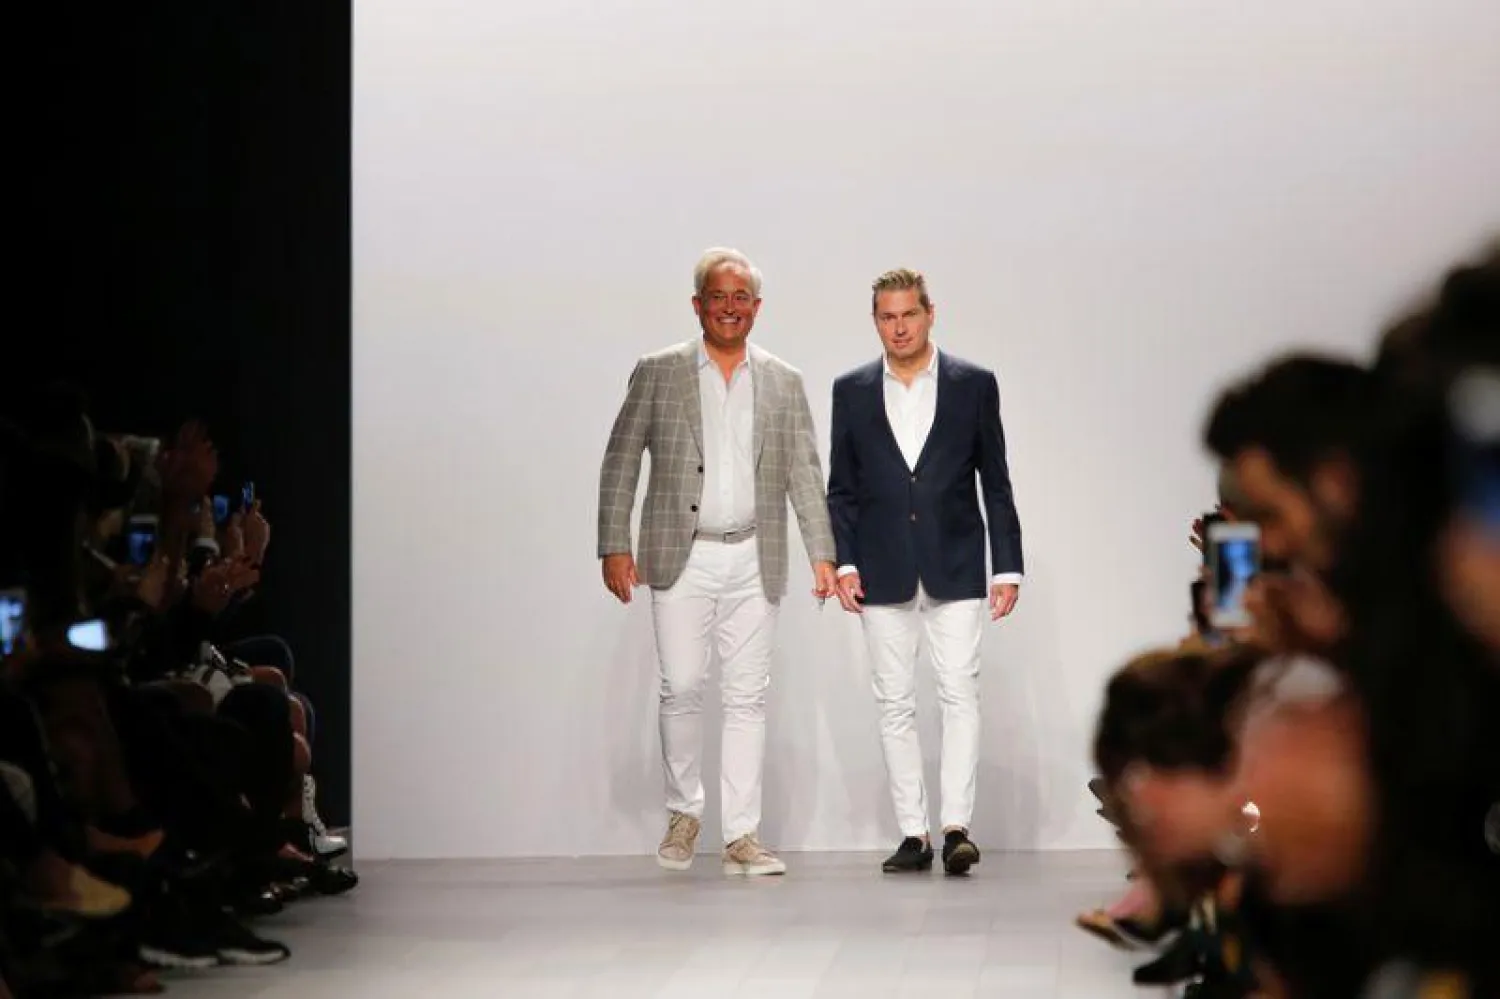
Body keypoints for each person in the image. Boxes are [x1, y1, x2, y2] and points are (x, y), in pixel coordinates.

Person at [597, 247, 838, 878]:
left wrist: (822, 553)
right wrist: (613, 544)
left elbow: (805, 472)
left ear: (757, 308)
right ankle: (684, 812)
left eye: (741, 299)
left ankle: (742, 834)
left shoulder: (783, 379)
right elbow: (621, 460)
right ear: (697, 303)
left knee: (748, 698)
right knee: (681, 686)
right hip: (682, 554)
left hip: (756, 554)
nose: (730, 309)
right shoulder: (659, 371)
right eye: (718, 297)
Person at [826, 267, 1023, 876]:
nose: (899, 326)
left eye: (909, 313)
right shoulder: (852, 389)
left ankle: (957, 826)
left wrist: (1008, 566)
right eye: (887, 316)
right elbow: (843, 487)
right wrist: (846, 559)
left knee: (959, 691)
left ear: (930, 312)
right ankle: (913, 833)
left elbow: (996, 478)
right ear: (875, 321)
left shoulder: (973, 384)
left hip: (958, 559)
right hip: (881, 564)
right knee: (894, 702)